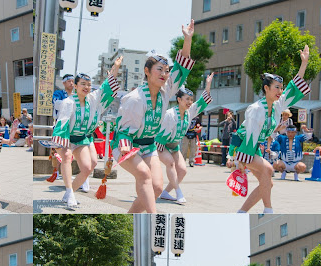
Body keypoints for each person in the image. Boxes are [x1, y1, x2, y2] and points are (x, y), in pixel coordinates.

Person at [113, 20, 196, 213]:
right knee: (143, 175)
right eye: (159, 69)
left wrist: (187, 39)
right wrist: (126, 148)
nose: (164, 74)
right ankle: (154, 218)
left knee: (157, 188)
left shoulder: (166, 91)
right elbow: (123, 132)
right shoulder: (134, 99)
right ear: (147, 71)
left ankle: (131, 216)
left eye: (166, 71)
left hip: (149, 144)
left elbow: (182, 67)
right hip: (126, 145)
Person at [230, 45, 311, 213]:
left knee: (268, 182)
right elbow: (250, 136)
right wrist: (241, 161)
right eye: (277, 88)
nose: (281, 91)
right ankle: (268, 210)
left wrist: (304, 64)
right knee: (268, 170)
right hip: (243, 147)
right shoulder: (256, 109)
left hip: (253, 148)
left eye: (281, 88)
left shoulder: (277, 105)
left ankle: (242, 212)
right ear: (266, 88)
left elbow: (293, 88)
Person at [51, 58, 121, 208]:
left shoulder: (93, 99)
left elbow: (106, 87)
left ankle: (69, 193)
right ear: (75, 86)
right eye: (82, 84)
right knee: (67, 157)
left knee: (88, 167)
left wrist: (115, 68)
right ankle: (70, 192)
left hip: (82, 138)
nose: (87, 87)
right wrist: (60, 144)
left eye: (89, 84)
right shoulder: (68, 102)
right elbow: (61, 124)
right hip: (66, 138)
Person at [156, 73, 214, 204]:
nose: (190, 102)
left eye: (191, 99)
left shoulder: (190, 112)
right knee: (170, 163)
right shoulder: (170, 115)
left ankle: (165, 193)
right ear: (179, 100)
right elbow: (160, 135)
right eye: (187, 99)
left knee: (182, 170)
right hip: (160, 144)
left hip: (174, 145)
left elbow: (203, 102)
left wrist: (208, 84)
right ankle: (178, 192)